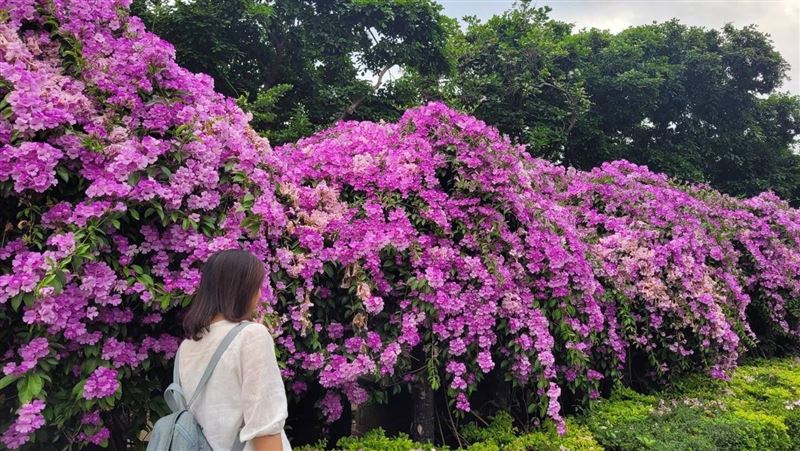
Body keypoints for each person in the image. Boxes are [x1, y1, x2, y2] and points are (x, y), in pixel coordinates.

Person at [177, 249, 291, 450]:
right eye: (257, 286)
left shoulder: (188, 346)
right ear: (243, 289)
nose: (259, 294)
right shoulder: (251, 336)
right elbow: (265, 426)